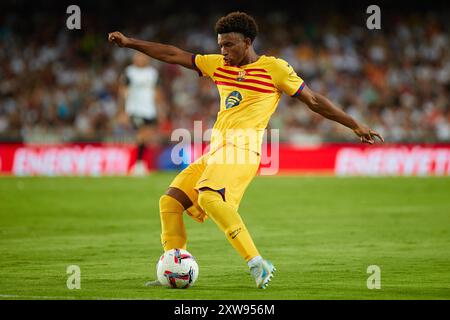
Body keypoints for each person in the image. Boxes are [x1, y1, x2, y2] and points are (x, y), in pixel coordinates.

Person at [108, 11, 384, 289]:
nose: (223, 51)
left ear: (248, 42)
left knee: (209, 198)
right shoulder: (218, 65)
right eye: (220, 46)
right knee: (169, 202)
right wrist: (130, 42)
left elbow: (313, 100)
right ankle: (172, 267)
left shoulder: (274, 69)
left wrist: (354, 124)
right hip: (216, 150)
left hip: (243, 149)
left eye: (229, 45)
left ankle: (257, 263)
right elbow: (173, 54)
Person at [119, 52, 164, 176]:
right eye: (138, 57)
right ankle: (138, 164)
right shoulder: (129, 72)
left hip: (149, 109)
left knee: (147, 136)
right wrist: (122, 110)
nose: (141, 59)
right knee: (142, 133)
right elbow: (122, 91)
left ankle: (139, 163)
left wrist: (160, 109)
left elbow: (157, 91)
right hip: (134, 108)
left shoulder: (152, 73)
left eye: (143, 57)